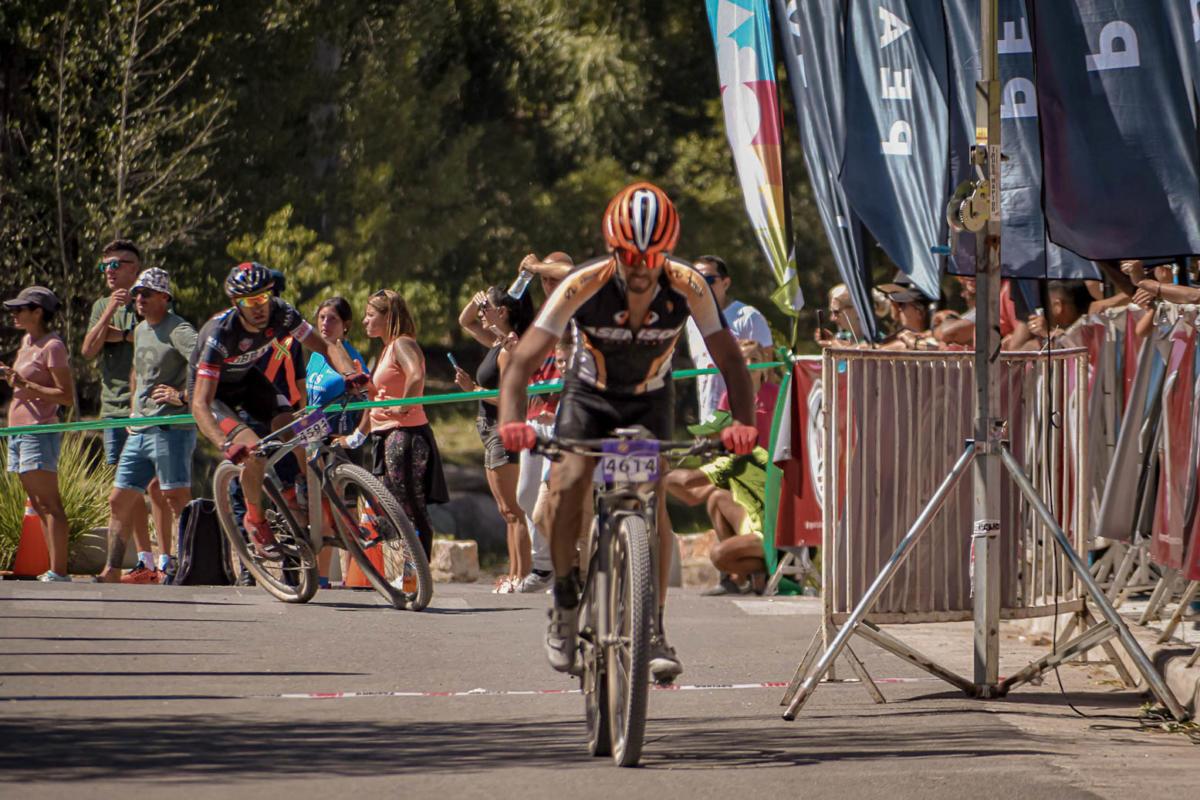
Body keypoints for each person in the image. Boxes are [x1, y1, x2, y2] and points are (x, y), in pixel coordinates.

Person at [496, 181, 758, 683]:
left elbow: (730, 360)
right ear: (612, 249)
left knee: (652, 500)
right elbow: (522, 361)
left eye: (652, 258)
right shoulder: (584, 282)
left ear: (668, 251)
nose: (640, 269)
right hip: (589, 396)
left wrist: (744, 424)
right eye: (629, 257)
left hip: (648, 398)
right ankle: (565, 599)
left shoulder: (688, 285)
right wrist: (512, 421)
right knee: (568, 482)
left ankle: (653, 629)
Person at [189, 263, 360, 556]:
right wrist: (224, 444)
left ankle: (303, 489)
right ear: (236, 304)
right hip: (214, 395)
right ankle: (255, 520)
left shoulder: (281, 312)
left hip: (247, 380)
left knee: (297, 427)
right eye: (249, 301)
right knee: (255, 453)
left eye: (263, 297)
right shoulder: (220, 334)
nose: (258, 307)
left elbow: (326, 345)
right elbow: (199, 404)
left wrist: (350, 374)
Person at [97, 269, 197, 583]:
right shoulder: (140, 330)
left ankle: (189, 566)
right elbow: (137, 373)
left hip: (170, 428)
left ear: (165, 297)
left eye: (147, 293)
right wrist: (132, 411)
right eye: (137, 293)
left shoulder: (179, 329)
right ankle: (112, 569)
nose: (139, 298)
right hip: (139, 429)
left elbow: (207, 364)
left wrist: (183, 396)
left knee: (176, 497)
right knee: (119, 499)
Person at [81, 240, 167, 578]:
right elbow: (89, 349)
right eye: (105, 265)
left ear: (136, 267)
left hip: (150, 408)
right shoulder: (102, 305)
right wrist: (108, 316)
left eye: (117, 264)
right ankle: (144, 561)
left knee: (157, 485)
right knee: (126, 488)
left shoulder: (150, 300)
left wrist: (119, 334)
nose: (110, 271)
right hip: (113, 408)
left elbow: (149, 337)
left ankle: (167, 559)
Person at [341, 290, 447, 560]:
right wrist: (366, 385)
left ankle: (419, 571)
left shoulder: (402, 343)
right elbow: (380, 397)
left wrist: (404, 405)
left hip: (404, 435)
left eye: (370, 315)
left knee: (412, 507)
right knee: (395, 507)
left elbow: (416, 374)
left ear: (388, 316)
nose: (364, 321)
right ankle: (408, 568)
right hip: (386, 435)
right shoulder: (387, 349)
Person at [456, 285, 536, 593]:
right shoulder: (497, 343)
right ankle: (514, 573)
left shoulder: (511, 348)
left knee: (515, 510)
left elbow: (511, 397)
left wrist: (472, 390)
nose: (479, 312)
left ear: (502, 312)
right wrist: (477, 299)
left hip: (503, 430)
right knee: (506, 511)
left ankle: (521, 576)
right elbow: (465, 321)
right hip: (489, 430)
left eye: (485, 308)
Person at [1, 287, 74, 581]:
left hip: (38, 430)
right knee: (37, 502)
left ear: (38, 312)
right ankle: (53, 569)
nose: (14, 314)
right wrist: (11, 377)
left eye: (20, 309)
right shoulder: (26, 342)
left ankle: (59, 571)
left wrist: (26, 385)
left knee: (49, 503)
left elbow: (66, 396)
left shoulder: (52, 346)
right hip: (18, 431)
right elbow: (23, 383)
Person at [514, 252, 574, 593]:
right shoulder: (543, 315)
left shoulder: (577, 306)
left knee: (553, 497)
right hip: (535, 415)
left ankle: (554, 565)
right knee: (525, 495)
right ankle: (550, 563)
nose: (549, 284)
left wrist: (537, 267)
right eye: (545, 281)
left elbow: (572, 271)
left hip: (565, 413)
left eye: (554, 279)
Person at [667, 411, 771, 595]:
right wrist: (664, 482)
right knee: (717, 498)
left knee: (718, 556)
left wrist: (659, 471)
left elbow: (687, 481)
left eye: (709, 438)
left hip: (770, 534)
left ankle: (767, 572)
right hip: (756, 523)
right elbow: (693, 497)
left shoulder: (738, 459)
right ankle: (740, 580)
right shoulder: (735, 459)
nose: (703, 443)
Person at [685, 254, 772, 422]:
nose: (702, 285)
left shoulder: (749, 317)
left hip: (743, 418)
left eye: (709, 279)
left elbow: (767, 372)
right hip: (708, 418)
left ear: (726, 283)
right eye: (695, 279)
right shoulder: (692, 320)